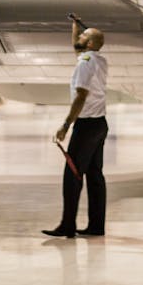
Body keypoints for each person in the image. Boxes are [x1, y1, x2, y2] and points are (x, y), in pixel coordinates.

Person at [42, 18, 108, 239]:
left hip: (86, 125)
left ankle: (67, 225)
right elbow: (78, 50)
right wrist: (75, 27)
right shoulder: (98, 60)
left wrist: (65, 125)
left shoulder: (84, 63)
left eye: (82, 36)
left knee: (72, 176)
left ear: (89, 44)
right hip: (100, 124)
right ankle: (96, 226)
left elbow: (81, 96)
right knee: (95, 175)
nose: (78, 39)